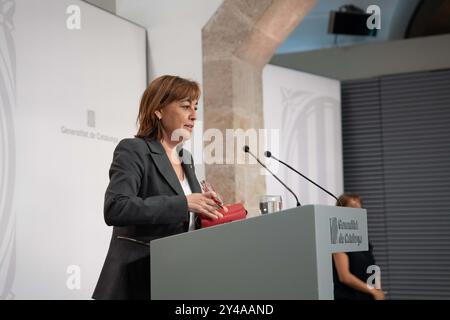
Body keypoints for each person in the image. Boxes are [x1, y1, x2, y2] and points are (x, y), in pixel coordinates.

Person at [92, 75, 226, 300]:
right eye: (185, 107)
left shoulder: (186, 158)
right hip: (136, 282)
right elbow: (116, 207)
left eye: (195, 107)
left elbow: (182, 221)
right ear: (158, 110)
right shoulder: (134, 150)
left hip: (177, 279)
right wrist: (184, 203)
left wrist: (206, 209)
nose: (194, 115)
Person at [332, 193, 385, 300]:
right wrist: (373, 291)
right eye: (353, 208)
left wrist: (378, 289)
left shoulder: (363, 239)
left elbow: (373, 267)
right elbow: (345, 277)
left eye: (360, 208)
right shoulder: (338, 239)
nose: (358, 212)